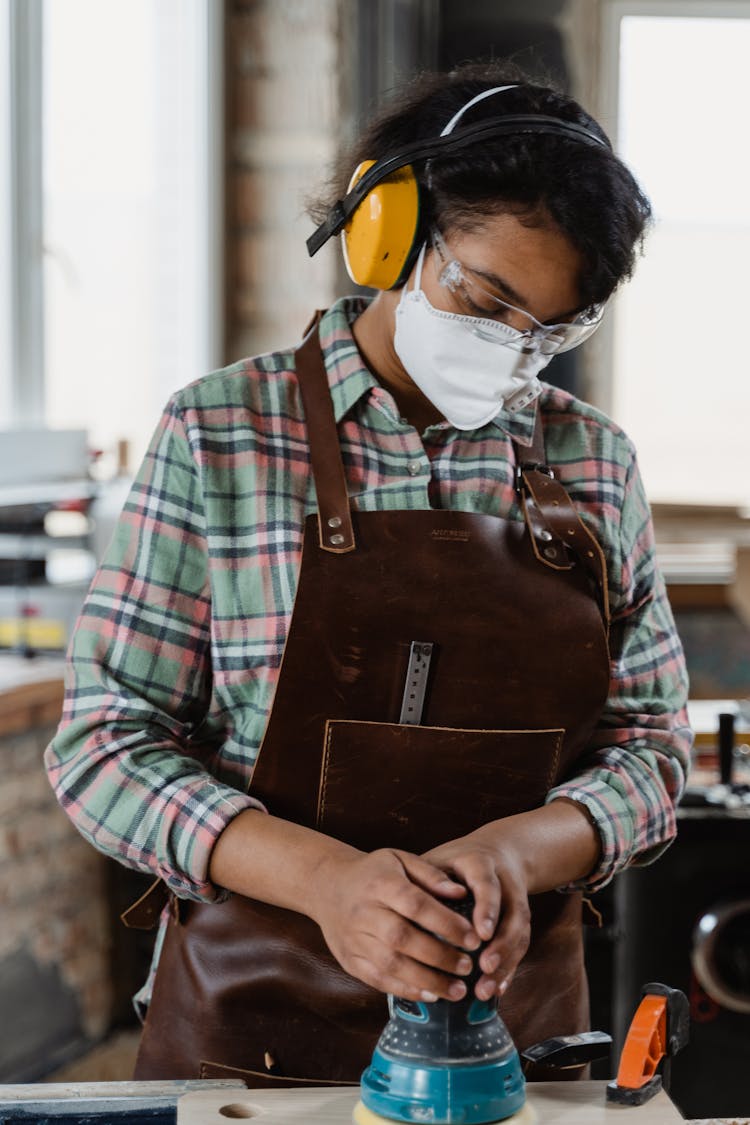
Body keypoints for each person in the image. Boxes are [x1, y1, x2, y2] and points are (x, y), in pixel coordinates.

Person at [45, 61, 691, 1085]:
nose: (511, 355)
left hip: (513, 1035)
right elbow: (102, 745)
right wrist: (325, 880)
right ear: (388, 231)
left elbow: (652, 750)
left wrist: (520, 855)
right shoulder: (220, 435)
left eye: (549, 333)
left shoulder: (594, 462)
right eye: (485, 299)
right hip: (246, 1032)